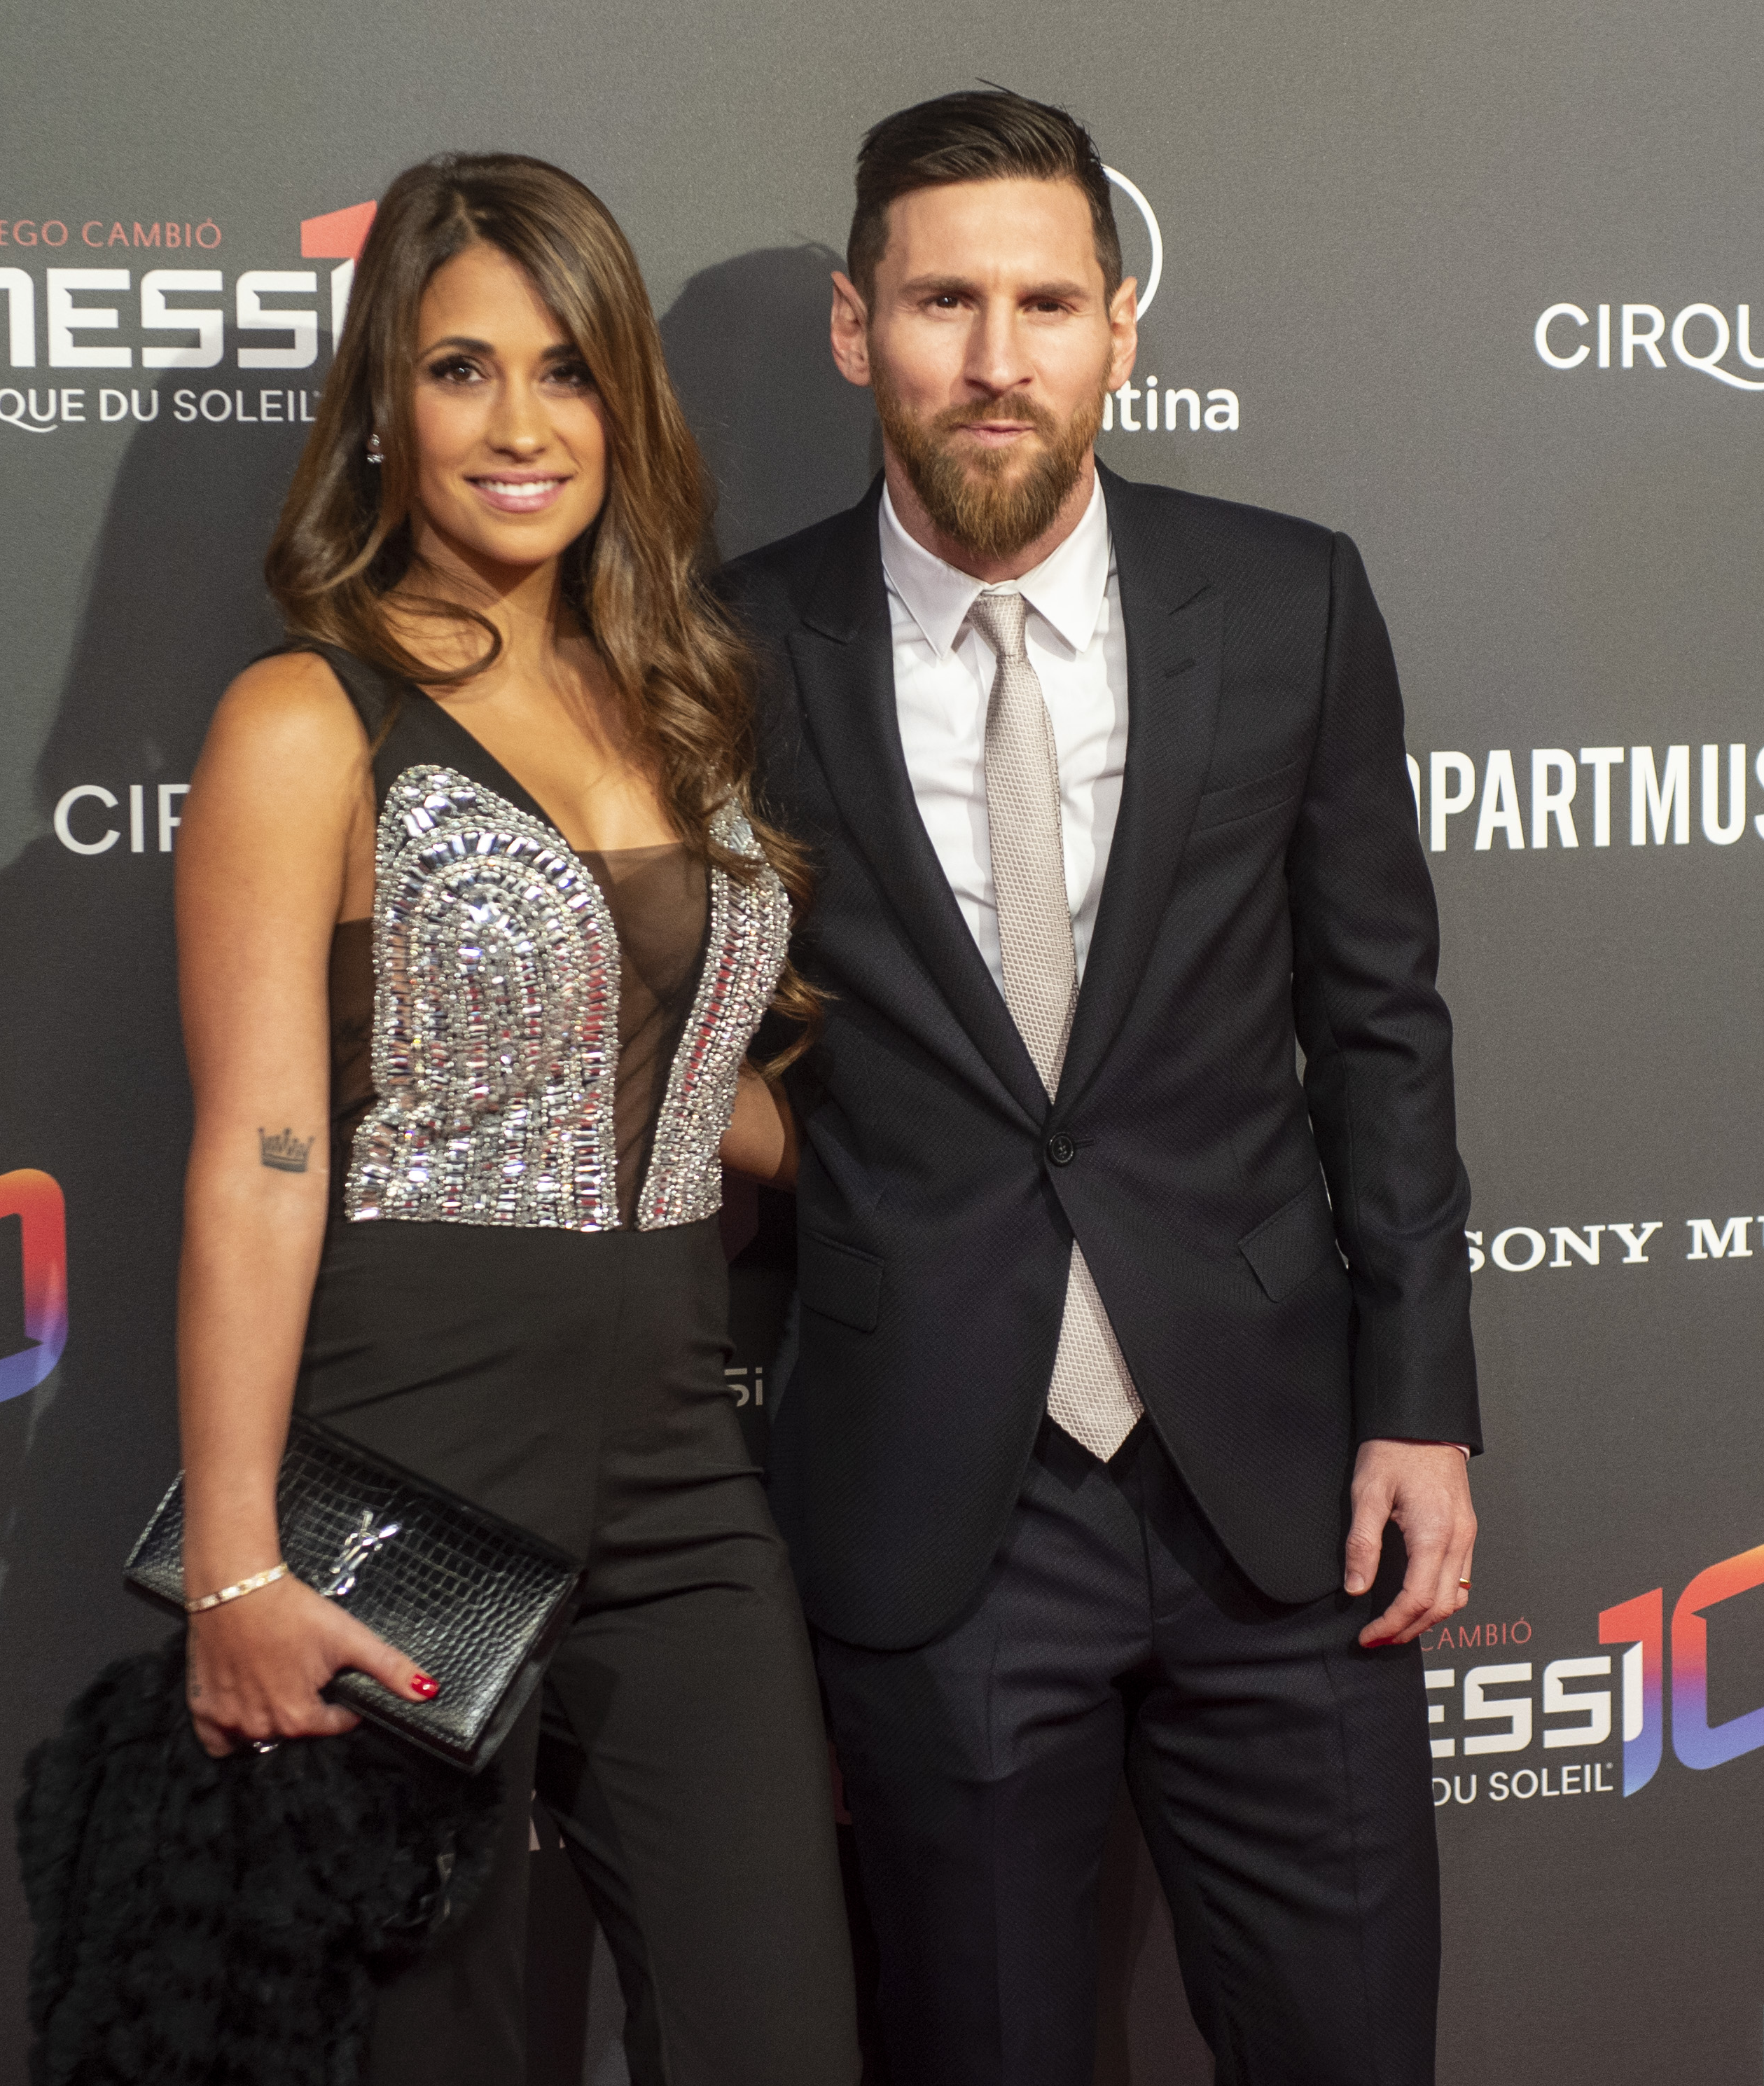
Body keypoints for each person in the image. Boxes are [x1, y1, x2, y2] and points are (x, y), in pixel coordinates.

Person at [723, 90, 1485, 2084]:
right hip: (932, 1498)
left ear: (1120, 328)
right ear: (853, 325)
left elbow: (1382, 1024)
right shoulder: (729, 649)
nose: (998, 359)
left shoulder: (1292, 600)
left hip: (1280, 1493)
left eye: (1047, 304)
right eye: (942, 302)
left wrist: (1419, 1403)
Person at [169, 151, 856, 2084]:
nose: (521, 425)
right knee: (425, 2047)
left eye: (567, 371)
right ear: (382, 406)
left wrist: (970, 1169)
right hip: (406, 1461)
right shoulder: (305, 718)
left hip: (682, 1471)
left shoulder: (673, 696)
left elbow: (680, 1072)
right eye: (461, 369)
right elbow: (257, 1156)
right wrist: (235, 1560)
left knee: (780, 2031)